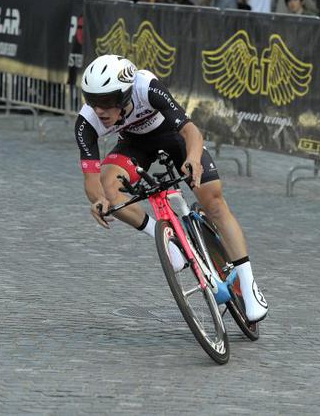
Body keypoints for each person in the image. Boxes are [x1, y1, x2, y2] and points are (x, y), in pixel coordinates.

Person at [75, 54, 269, 323]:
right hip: (134, 145)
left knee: (213, 201)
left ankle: (248, 284)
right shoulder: (86, 122)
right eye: (92, 101)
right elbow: (91, 179)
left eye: (106, 101)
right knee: (108, 190)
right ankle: (167, 239)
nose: (99, 110)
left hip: (173, 137)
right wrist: (98, 200)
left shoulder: (146, 87)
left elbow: (191, 132)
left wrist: (193, 159)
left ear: (126, 94)